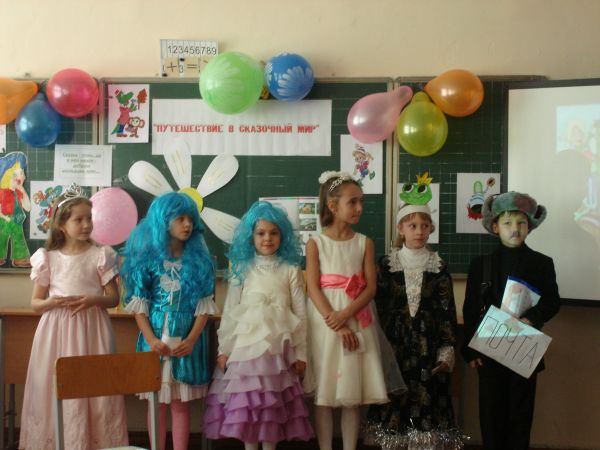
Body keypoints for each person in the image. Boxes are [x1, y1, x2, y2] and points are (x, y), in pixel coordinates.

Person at [19, 183, 128, 450]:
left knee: (95, 385)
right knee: (54, 385)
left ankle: (93, 441)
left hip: (92, 329)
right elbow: (35, 303)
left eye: (89, 218)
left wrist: (93, 299)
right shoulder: (48, 258)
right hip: (55, 332)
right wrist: (50, 303)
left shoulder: (100, 255)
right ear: (61, 225)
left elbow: (114, 299)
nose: (86, 224)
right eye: (78, 220)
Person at [204, 201, 313, 450]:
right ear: (250, 237)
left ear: (282, 236)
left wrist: (301, 353)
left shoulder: (291, 269)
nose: (267, 238)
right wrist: (224, 349)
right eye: (261, 233)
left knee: (272, 410)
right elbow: (230, 311)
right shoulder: (242, 268)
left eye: (274, 233)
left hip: (278, 355)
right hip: (246, 354)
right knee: (249, 408)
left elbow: (301, 314)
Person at [462, 191, 561, 450]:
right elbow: (471, 308)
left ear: (529, 226)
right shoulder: (481, 264)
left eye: (521, 223)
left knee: (520, 414)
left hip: (524, 347)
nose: (515, 229)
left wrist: (532, 318)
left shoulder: (542, 263)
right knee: (491, 414)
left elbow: (553, 301)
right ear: (495, 227)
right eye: (507, 223)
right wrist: (469, 350)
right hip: (488, 350)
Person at [120, 192, 217, 450]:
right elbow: (140, 306)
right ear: (163, 221)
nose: (187, 224)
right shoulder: (148, 260)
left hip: (186, 340)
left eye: (190, 219)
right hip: (154, 340)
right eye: (180, 218)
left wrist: (192, 340)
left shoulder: (200, 262)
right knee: (156, 404)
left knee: (180, 405)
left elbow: (204, 307)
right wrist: (151, 339)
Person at [305, 170, 390, 450]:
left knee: (351, 391)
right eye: (352, 202)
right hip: (325, 322)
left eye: (361, 201)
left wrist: (345, 316)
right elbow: (313, 287)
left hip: (356, 317)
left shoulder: (364, 242)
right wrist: (337, 323)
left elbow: (370, 288)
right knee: (325, 393)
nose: (359, 208)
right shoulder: (316, 243)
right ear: (332, 205)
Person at [366, 200, 459, 448]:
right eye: (413, 225)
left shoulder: (438, 266)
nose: (419, 231)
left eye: (425, 226)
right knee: (396, 394)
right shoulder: (387, 264)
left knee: (427, 394)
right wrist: (377, 343)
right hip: (395, 344)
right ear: (401, 228)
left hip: (429, 344)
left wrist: (447, 347)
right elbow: (379, 306)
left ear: (431, 229)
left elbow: (446, 309)